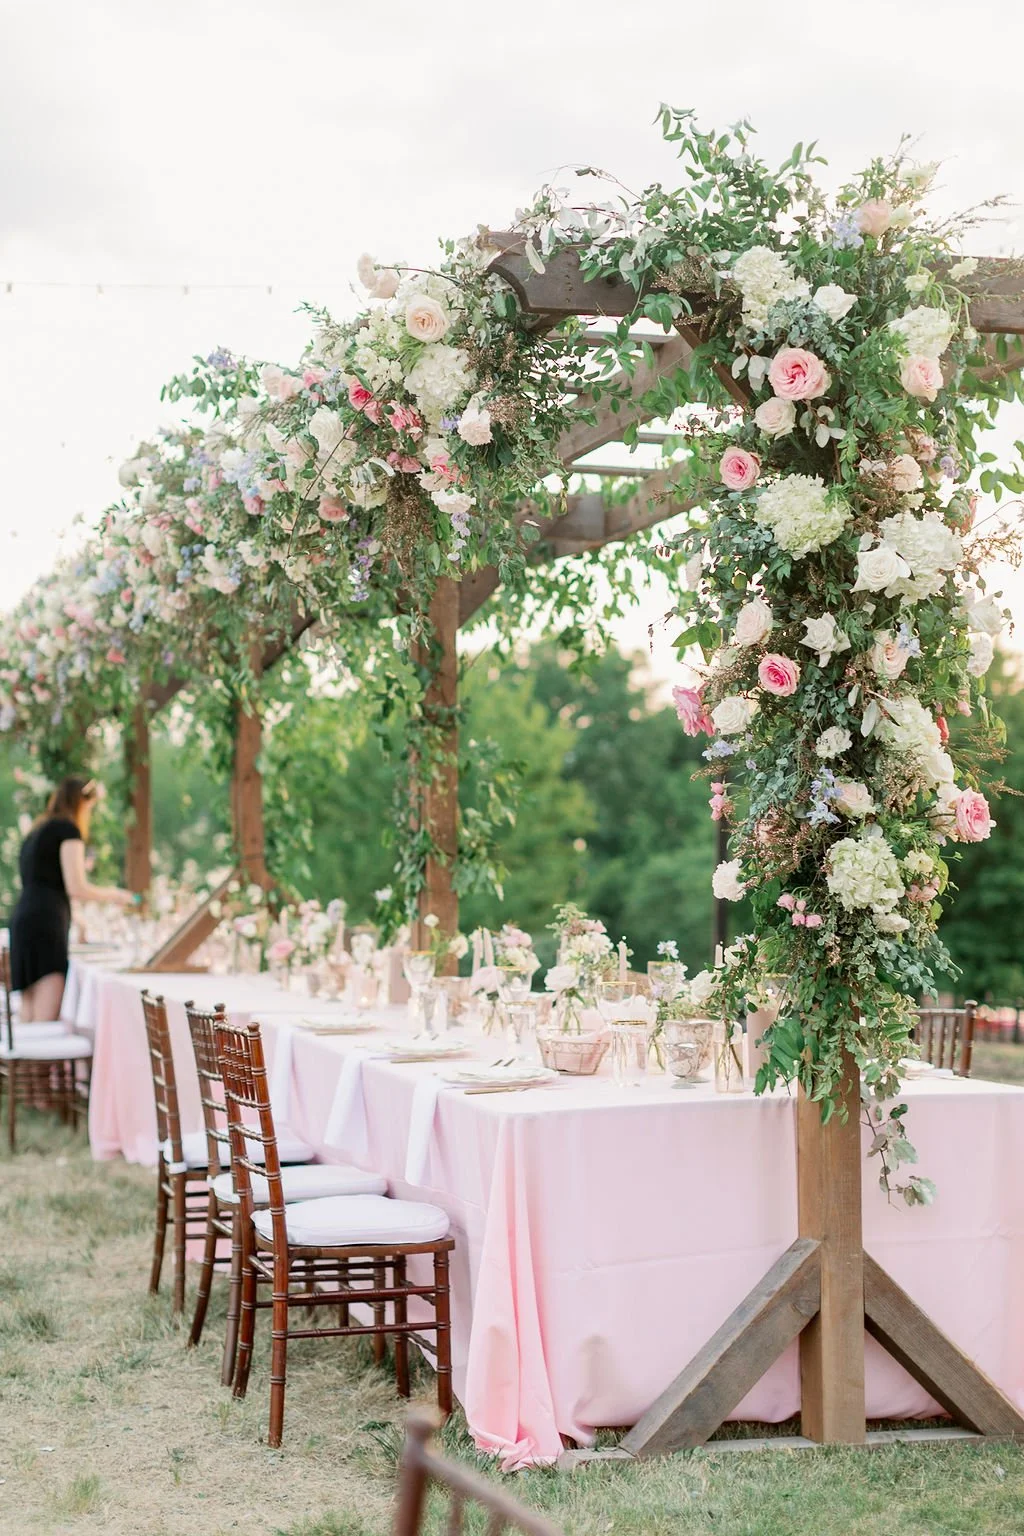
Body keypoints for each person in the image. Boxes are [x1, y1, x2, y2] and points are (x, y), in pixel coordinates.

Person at [9, 776, 135, 1022]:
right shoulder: (68, 830)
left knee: (29, 1013)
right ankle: (40, 1062)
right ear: (83, 803)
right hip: (46, 923)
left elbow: (46, 882)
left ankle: (27, 1063)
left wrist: (78, 921)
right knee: (45, 1018)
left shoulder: (36, 832)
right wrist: (115, 894)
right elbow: (75, 887)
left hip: (24, 918)